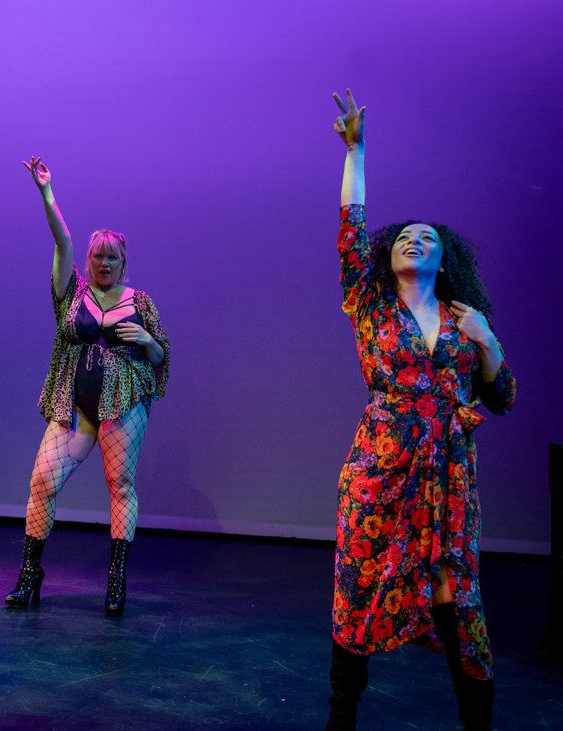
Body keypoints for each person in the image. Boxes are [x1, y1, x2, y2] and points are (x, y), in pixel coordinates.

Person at [325, 90, 516, 731]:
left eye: (427, 237)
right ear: (388, 256)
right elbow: (351, 231)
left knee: (455, 594)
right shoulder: (370, 305)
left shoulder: (467, 321)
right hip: (382, 464)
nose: (415, 240)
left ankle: (477, 723)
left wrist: (488, 342)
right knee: (360, 585)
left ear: (444, 257)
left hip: (449, 476)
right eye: (405, 237)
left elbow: (503, 396)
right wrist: (356, 152)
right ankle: (341, 716)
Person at [5, 157, 169, 616]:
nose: (104, 263)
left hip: (123, 403)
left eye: (112, 257)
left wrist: (148, 341)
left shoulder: (141, 302)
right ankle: (29, 573)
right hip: (74, 406)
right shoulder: (72, 293)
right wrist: (46, 192)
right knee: (43, 481)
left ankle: (115, 582)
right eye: (98, 256)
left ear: (123, 262)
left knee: (120, 484)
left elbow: (162, 358)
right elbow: (62, 241)